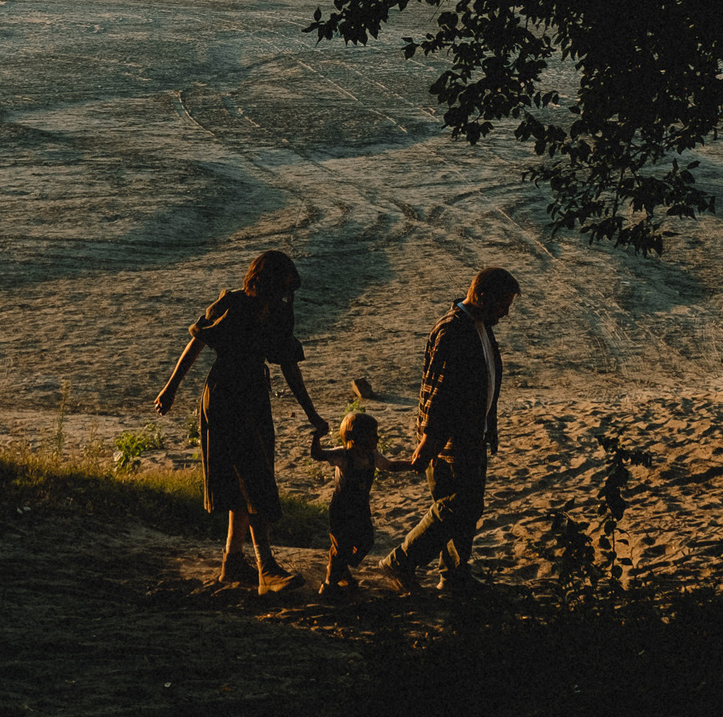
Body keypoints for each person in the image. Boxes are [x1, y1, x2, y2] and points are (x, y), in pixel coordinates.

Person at [156, 250, 327, 595]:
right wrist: (170, 388)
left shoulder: (280, 313)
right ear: (268, 281)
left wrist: (312, 414)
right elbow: (197, 344)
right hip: (224, 396)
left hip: (254, 397)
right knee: (253, 478)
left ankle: (232, 563)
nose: (287, 297)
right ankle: (266, 568)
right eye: (284, 288)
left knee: (245, 479)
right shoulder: (233, 304)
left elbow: (288, 365)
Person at [377, 267, 519, 593]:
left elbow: (486, 380)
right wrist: (429, 443)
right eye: (503, 304)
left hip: (471, 435)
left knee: (464, 509)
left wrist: (489, 425)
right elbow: (438, 393)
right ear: (483, 296)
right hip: (450, 442)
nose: (506, 313)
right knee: (457, 505)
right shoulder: (453, 331)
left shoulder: (479, 326)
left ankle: (454, 575)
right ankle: (401, 561)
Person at [308, 411, 383, 594]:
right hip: (342, 509)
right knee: (341, 546)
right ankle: (329, 583)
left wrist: (413, 464)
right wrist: (316, 437)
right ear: (355, 437)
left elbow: (390, 465)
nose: (377, 438)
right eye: (372, 435)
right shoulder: (343, 455)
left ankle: (342, 568)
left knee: (366, 541)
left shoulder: (372, 456)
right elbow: (318, 455)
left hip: (361, 508)